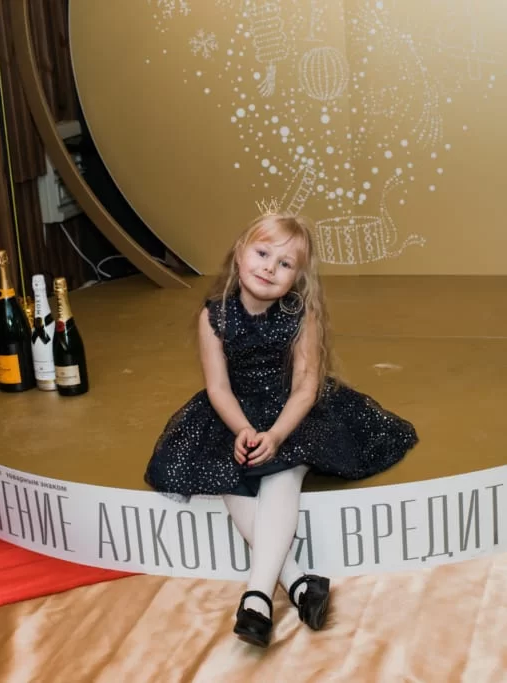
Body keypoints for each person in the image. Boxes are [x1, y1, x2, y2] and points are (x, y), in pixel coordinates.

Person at [144, 211, 419, 648]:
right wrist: (242, 429)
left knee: (282, 471)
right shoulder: (214, 317)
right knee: (228, 473)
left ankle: (257, 595)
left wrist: (274, 435)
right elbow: (218, 388)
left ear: (297, 278)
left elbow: (306, 387)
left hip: (292, 412)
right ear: (240, 253)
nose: (269, 267)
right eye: (262, 253)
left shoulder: (299, 315)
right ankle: (296, 583)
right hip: (235, 411)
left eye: (285, 263)